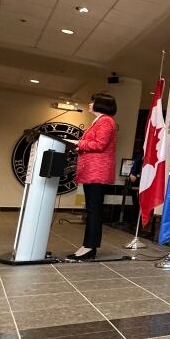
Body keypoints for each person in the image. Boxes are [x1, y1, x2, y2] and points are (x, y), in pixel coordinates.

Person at [68, 93, 118, 261]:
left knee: (94, 209)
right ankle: (87, 245)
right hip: (92, 171)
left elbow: (100, 144)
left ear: (101, 104)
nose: (90, 104)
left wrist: (78, 143)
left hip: (98, 171)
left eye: (93, 101)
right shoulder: (98, 121)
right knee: (91, 209)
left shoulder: (106, 121)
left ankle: (90, 247)